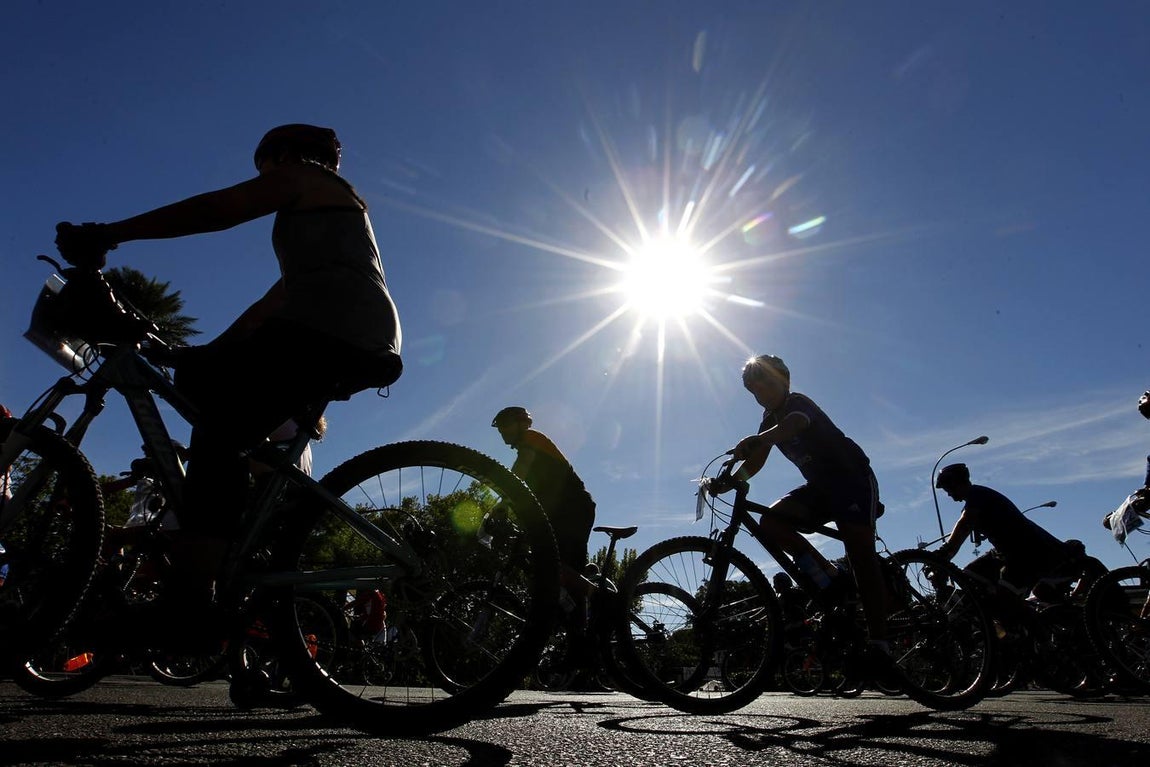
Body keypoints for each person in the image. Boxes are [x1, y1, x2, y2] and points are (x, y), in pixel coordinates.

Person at [54, 124, 403, 618]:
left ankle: (192, 599)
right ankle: (226, 540)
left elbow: (219, 209)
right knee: (204, 387)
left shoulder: (309, 178)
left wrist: (109, 233)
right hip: (344, 329)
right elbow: (266, 308)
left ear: (285, 155)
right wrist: (199, 352)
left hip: (334, 330)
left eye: (263, 169)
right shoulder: (324, 239)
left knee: (220, 435)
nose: (262, 180)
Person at [724, 354, 890, 654]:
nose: (762, 393)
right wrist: (730, 481)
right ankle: (830, 575)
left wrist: (758, 440)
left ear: (784, 381)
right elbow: (756, 461)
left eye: (767, 384)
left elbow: (793, 426)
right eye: (755, 391)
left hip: (852, 480)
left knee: (861, 555)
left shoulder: (797, 403)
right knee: (772, 522)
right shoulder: (768, 421)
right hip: (820, 489)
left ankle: (880, 642)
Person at [491, 406, 596, 676]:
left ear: (521, 424)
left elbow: (518, 474)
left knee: (558, 570)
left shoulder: (533, 440)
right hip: (557, 514)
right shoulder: (527, 448)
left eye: (505, 425)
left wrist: (500, 505)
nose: (502, 432)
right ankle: (576, 642)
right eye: (500, 428)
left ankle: (586, 630)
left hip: (573, 510)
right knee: (552, 579)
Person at [935, 463, 1070, 597]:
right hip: (1005, 552)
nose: (949, 494)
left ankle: (1011, 607)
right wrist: (943, 559)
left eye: (948, 489)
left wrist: (944, 553)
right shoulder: (975, 499)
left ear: (957, 483)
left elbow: (964, 526)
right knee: (970, 575)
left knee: (1005, 597)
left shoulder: (977, 495)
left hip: (1026, 551)